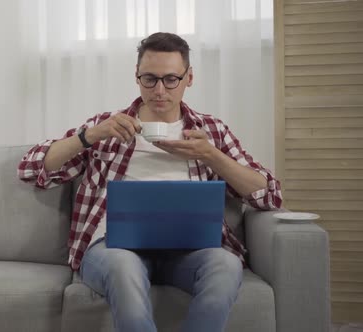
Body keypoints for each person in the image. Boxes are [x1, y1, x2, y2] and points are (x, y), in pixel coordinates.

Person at [17, 32, 282, 332]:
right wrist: (89, 136)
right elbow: (31, 169)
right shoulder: (108, 126)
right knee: (122, 267)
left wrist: (211, 155)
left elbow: (269, 194)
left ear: (189, 78)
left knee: (227, 264)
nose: (159, 90)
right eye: (149, 79)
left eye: (171, 79)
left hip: (188, 253)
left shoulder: (211, 131)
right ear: (137, 76)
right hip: (114, 249)